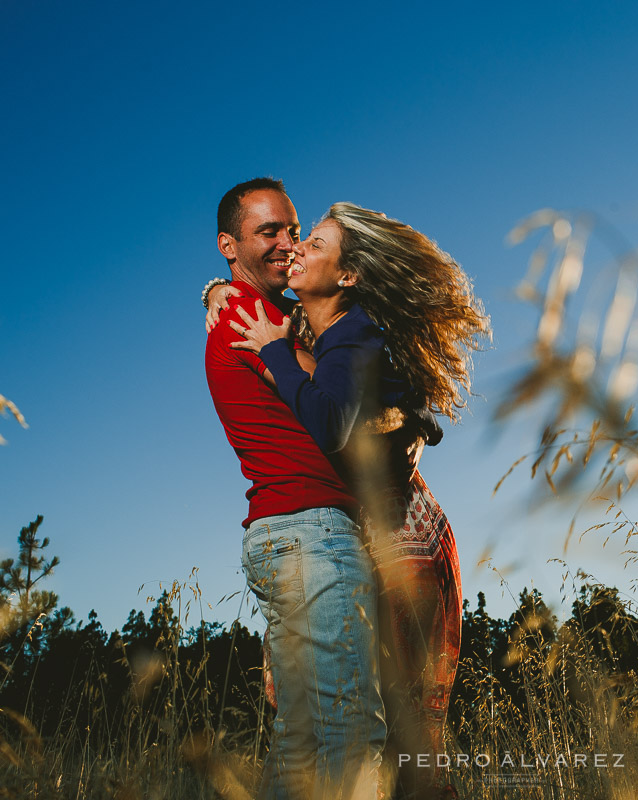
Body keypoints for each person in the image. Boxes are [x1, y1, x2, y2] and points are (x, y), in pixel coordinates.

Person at [219, 202, 488, 799]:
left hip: (402, 540)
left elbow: (343, 413)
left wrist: (275, 357)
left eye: (311, 242)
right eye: (296, 238)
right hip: (355, 538)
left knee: (402, 738)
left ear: (346, 275)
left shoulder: (350, 333)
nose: (295, 249)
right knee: (332, 729)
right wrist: (218, 286)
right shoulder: (313, 324)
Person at [204, 179, 385, 800]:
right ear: (229, 245)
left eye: (292, 228)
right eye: (268, 233)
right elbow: (338, 407)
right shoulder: (254, 319)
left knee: (301, 747)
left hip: (287, 536)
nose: (286, 244)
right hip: (311, 536)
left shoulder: (267, 315)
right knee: (353, 734)